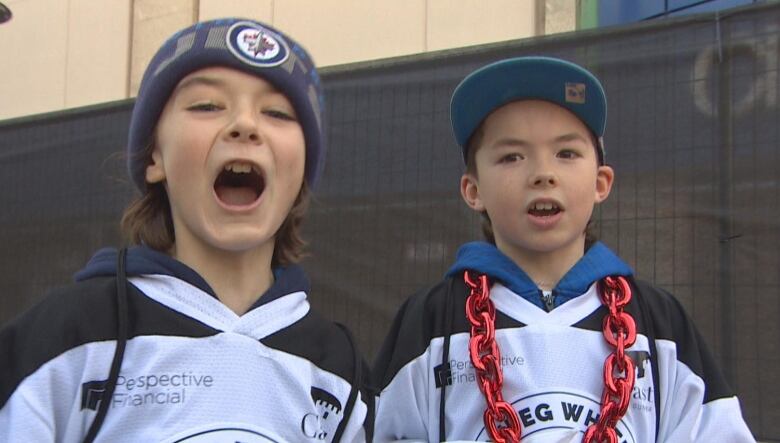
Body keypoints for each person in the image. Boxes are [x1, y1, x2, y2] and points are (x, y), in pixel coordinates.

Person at [0, 18, 372, 442]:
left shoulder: (341, 369)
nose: (245, 125)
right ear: (154, 157)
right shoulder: (64, 338)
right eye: (207, 106)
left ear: (301, 170)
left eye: (277, 113)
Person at [372, 56, 754, 442]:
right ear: (473, 190)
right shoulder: (431, 323)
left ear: (601, 183)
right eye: (511, 156)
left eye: (566, 153)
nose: (543, 173)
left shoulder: (660, 325)